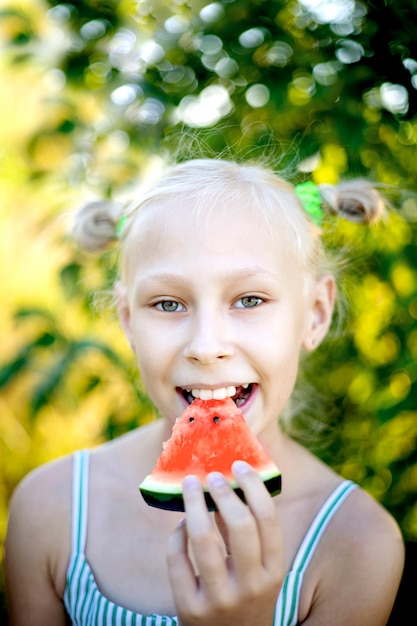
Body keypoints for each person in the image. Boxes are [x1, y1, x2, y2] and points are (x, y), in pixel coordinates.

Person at [5, 157, 405, 626]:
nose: (206, 346)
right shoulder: (51, 507)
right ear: (128, 320)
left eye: (249, 300)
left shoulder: (357, 543)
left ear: (315, 314)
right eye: (168, 303)